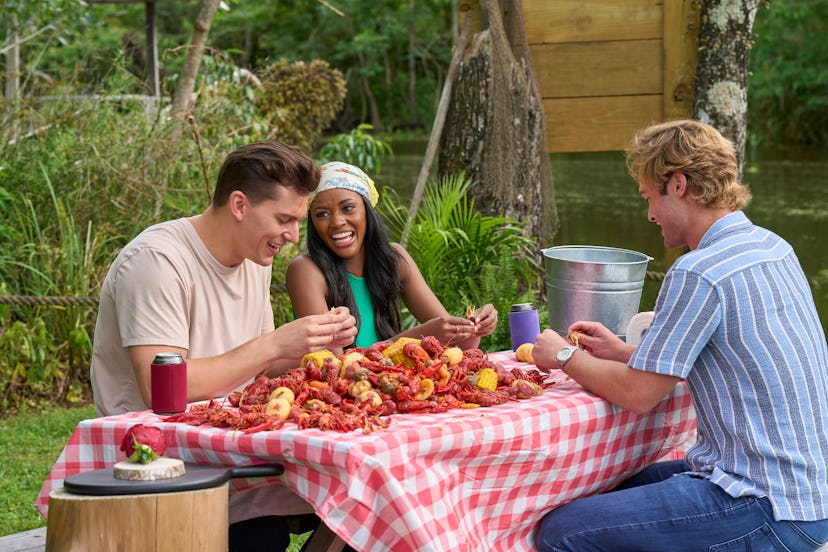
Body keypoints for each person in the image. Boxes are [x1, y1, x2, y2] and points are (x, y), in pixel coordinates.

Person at [532, 120, 828, 551]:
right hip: (810, 491)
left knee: (563, 531)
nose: (649, 214)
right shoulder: (773, 246)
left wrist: (562, 355)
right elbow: (728, 353)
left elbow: (638, 395)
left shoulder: (698, 271)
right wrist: (621, 351)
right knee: (609, 487)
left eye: (649, 197)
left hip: (766, 505)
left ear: (678, 184)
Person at [89, 141, 358, 552]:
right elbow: (163, 387)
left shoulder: (254, 258)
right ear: (239, 205)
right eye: (285, 219)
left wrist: (314, 341)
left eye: (298, 221)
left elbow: (255, 367)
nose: (293, 235)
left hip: (232, 454)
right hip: (158, 473)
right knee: (279, 529)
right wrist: (273, 344)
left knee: (360, 504)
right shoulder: (156, 262)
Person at [286, 161, 498, 351]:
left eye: (348, 208)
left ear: (368, 211)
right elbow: (332, 367)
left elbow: (455, 343)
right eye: (322, 214)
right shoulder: (305, 270)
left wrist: (474, 325)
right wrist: (418, 336)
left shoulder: (394, 259)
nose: (337, 221)